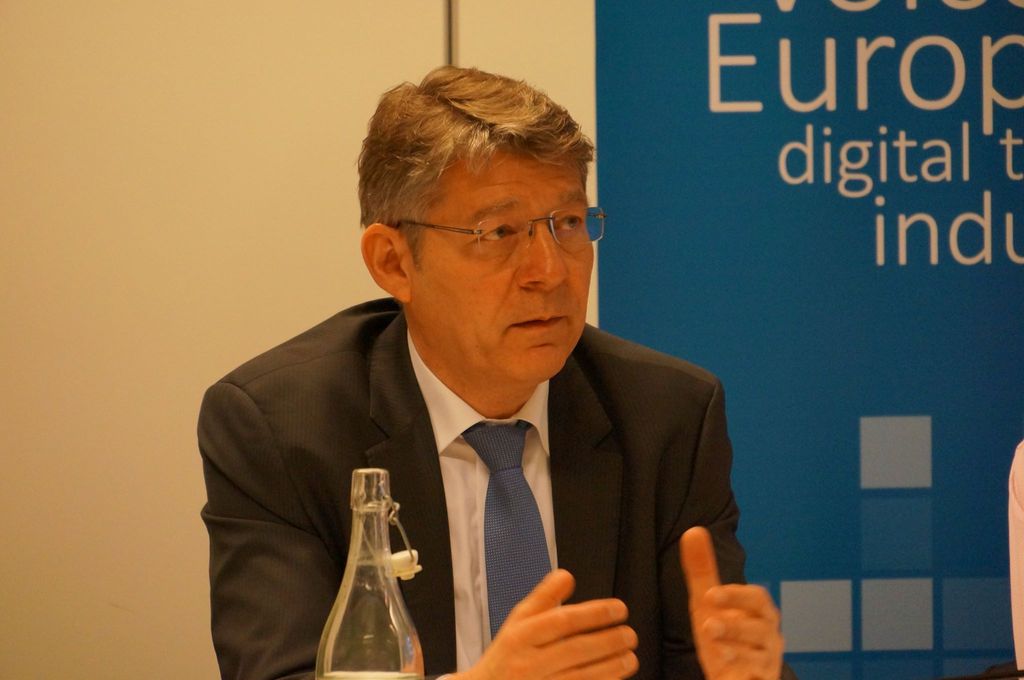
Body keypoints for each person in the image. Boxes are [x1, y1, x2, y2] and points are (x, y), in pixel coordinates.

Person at [199, 65, 788, 680]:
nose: (550, 272)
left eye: (568, 223)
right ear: (393, 263)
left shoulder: (667, 418)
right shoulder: (282, 429)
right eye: (500, 232)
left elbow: (710, 662)